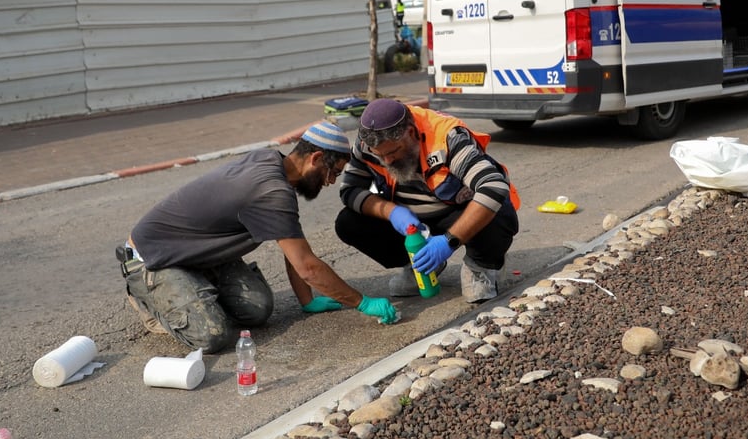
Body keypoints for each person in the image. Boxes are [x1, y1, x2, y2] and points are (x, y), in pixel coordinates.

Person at [119, 122, 398, 353]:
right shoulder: (272, 192)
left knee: (258, 311)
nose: (331, 182)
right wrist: (362, 302)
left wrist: (307, 301)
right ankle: (148, 299)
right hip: (153, 257)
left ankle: (195, 290)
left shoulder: (271, 163)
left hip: (195, 253)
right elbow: (308, 267)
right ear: (315, 159)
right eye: (332, 171)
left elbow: (293, 244)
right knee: (212, 335)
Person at [335, 99, 521, 304]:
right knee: (348, 222)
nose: (387, 161)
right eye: (380, 156)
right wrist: (392, 212)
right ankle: (418, 264)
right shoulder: (368, 144)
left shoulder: (447, 136)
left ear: (411, 133)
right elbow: (350, 190)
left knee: (497, 208)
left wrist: (449, 241)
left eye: (393, 152)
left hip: (456, 213)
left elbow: (493, 186)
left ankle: (482, 266)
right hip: (414, 224)